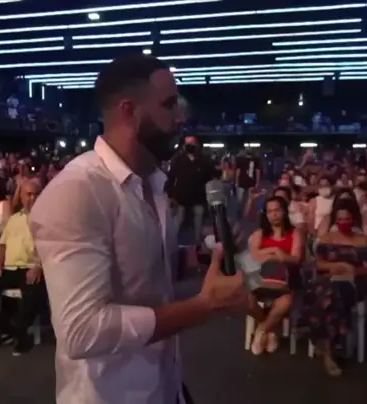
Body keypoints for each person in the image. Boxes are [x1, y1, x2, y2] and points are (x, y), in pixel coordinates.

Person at [30, 54, 249, 404]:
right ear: (129, 111)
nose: (181, 117)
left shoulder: (151, 182)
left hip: (165, 384)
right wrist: (204, 306)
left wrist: (202, 255)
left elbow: (143, 270)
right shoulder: (77, 191)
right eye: (169, 105)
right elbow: (81, 331)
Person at [0, 180, 50, 356]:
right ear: (21, 197)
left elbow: (52, 248)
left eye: (36, 194)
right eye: (28, 194)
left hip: (31, 267)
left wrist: (39, 266)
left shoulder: (49, 219)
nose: (32, 198)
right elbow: (2, 245)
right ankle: (10, 331)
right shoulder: (14, 219)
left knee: (33, 296)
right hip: (8, 268)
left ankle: (19, 335)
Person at [303, 198, 367, 376]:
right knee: (327, 291)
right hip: (329, 279)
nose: (343, 222)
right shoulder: (327, 239)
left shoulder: (363, 241)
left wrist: (351, 270)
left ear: (354, 219)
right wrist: (338, 266)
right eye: (340, 219)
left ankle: (317, 337)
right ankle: (329, 350)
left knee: (332, 294)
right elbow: (318, 264)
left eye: (346, 219)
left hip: (353, 283)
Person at [247, 196, 303, 356]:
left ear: (284, 211)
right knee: (245, 300)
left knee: (286, 301)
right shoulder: (259, 234)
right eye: (270, 211)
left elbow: (296, 259)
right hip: (260, 280)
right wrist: (276, 251)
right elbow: (254, 256)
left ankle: (262, 329)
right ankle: (271, 330)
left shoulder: (295, 233)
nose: (274, 214)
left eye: (277, 210)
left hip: (286, 281)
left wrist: (272, 254)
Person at [166, 137, 216, 248]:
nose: (189, 146)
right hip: (181, 197)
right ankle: (171, 243)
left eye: (192, 144)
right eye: (187, 144)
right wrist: (170, 195)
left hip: (199, 197)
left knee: (198, 221)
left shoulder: (204, 161)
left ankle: (197, 245)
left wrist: (210, 197)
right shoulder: (178, 160)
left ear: (197, 145)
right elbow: (171, 178)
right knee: (178, 221)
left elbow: (210, 179)